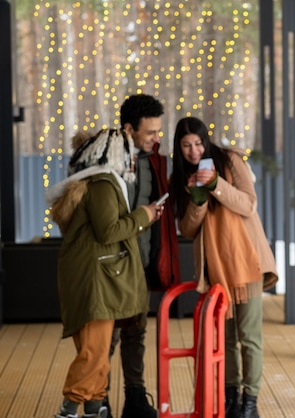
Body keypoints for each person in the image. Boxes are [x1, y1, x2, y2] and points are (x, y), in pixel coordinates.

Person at [46, 128, 165, 418]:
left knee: (97, 355)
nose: (134, 160)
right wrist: (144, 215)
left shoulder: (100, 182)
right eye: (130, 154)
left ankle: (95, 407)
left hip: (96, 279)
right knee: (94, 353)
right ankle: (69, 408)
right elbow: (108, 230)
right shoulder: (102, 184)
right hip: (96, 281)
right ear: (117, 155)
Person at [169, 116, 278, 418]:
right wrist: (198, 197)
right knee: (226, 337)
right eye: (186, 145)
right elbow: (188, 229)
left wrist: (216, 183)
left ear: (206, 140)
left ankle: (250, 400)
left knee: (249, 336)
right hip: (215, 267)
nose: (193, 151)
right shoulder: (181, 176)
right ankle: (232, 398)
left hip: (246, 262)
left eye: (198, 143)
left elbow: (248, 204)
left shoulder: (229, 160)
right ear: (179, 148)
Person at [104, 93, 181, 418]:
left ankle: (134, 398)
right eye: (150, 132)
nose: (156, 138)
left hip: (143, 260)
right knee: (107, 335)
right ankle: (99, 400)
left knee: (136, 330)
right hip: (112, 267)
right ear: (129, 129)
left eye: (158, 131)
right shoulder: (105, 163)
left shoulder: (155, 159)